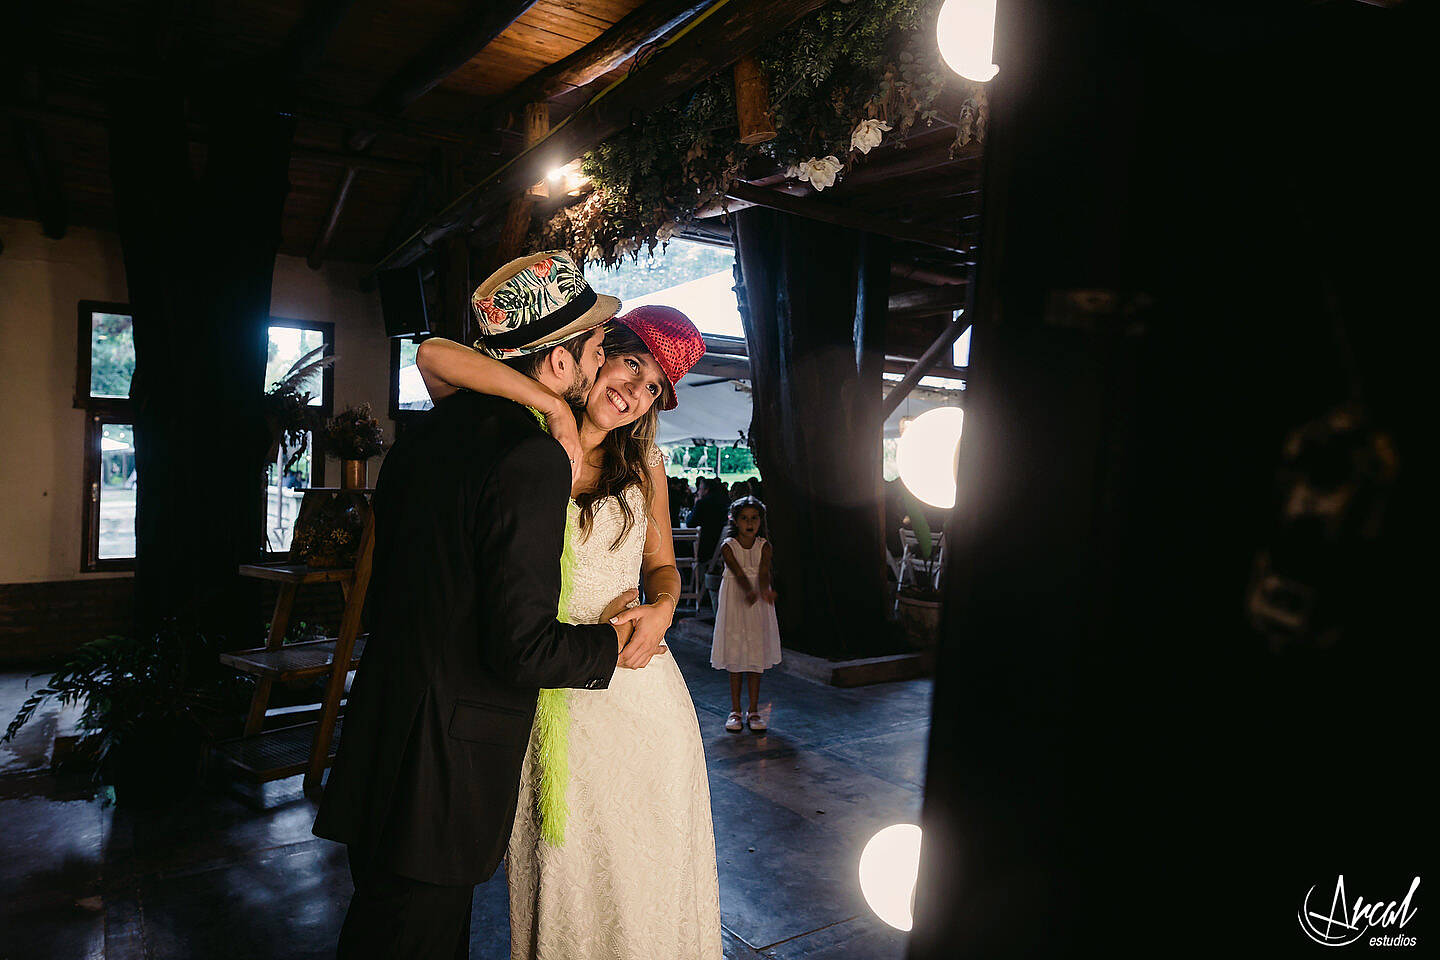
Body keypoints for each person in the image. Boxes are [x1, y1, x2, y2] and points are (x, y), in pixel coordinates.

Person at [313, 251, 649, 960]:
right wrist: (612, 644)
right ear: (558, 363)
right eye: (593, 346)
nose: (599, 360)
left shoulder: (426, 435)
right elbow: (520, 648)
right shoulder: (532, 460)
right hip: (444, 767)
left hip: (382, 734)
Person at [415, 304, 721, 959]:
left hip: (637, 695)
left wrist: (664, 608)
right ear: (598, 351)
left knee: (640, 881)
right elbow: (435, 357)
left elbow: (663, 566)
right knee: (562, 875)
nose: (634, 393)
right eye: (632, 365)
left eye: (652, 390)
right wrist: (552, 410)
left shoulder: (646, 468)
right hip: (537, 689)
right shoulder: (519, 433)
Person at [711, 496, 782, 733]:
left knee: (754, 655)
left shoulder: (765, 546)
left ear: (761, 521)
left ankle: (753, 710)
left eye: (754, 518)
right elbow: (738, 573)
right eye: (744, 519)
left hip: (757, 605)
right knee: (736, 654)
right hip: (736, 601)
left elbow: (763, 572)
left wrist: (764, 591)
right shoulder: (728, 545)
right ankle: (735, 711)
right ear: (735, 520)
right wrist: (749, 592)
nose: (749, 523)